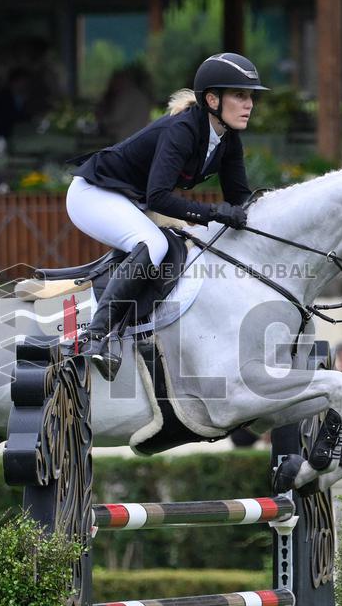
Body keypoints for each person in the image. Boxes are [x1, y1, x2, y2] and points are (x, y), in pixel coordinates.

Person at [65, 52, 269, 380]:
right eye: (240, 95)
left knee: (179, 246)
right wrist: (213, 212)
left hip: (131, 200)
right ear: (213, 99)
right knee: (154, 244)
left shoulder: (228, 140)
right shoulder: (183, 129)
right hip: (94, 193)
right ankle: (96, 336)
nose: (249, 104)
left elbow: (240, 200)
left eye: (251, 97)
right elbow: (158, 196)